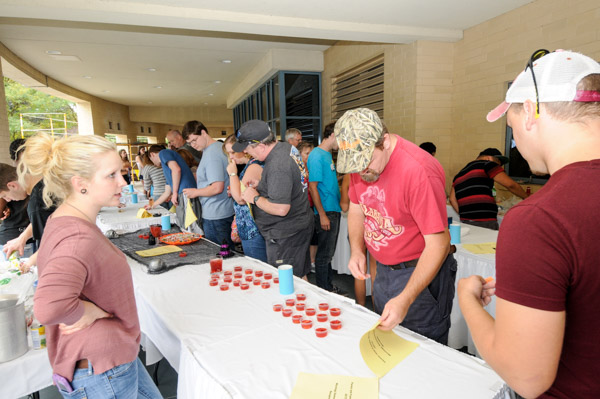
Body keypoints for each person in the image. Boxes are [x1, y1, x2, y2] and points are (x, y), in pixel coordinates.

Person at [458, 49, 600, 399]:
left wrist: (468, 303)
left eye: (512, 127)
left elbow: (527, 376)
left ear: (532, 112)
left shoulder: (540, 218)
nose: (516, 143)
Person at [20, 132, 162, 398]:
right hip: (101, 367)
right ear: (80, 184)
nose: (123, 181)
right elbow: (49, 307)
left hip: (109, 357)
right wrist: (89, 311)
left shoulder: (66, 220)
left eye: (121, 173)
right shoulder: (77, 237)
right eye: (111, 175)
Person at [336, 108, 455, 344]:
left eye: (366, 162)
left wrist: (406, 298)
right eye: (355, 166)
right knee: (390, 345)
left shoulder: (419, 171)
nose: (361, 171)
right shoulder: (364, 166)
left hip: (419, 274)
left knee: (423, 349)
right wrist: (358, 250)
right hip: (384, 271)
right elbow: (357, 208)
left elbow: (439, 244)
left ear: (386, 142)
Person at [234, 120, 313, 278]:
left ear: (261, 146)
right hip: (298, 226)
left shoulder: (277, 165)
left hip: (286, 235)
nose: (248, 154)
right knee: (299, 277)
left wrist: (255, 197)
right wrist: (263, 184)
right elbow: (292, 182)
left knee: (287, 283)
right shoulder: (285, 147)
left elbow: (281, 208)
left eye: (249, 150)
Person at [449, 148, 528, 230]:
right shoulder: (487, 164)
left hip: (466, 221)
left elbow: (452, 199)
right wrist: (527, 198)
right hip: (485, 221)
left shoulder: (459, 174)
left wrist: (465, 215)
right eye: (498, 164)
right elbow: (511, 185)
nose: (499, 167)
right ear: (489, 158)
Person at [182, 122, 234, 246]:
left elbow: (217, 187)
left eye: (195, 140)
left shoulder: (212, 154)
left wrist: (195, 192)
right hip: (220, 211)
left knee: (221, 255)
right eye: (190, 143)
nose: (193, 145)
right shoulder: (214, 149)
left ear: (204, 133)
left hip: (216, 214)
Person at [307, 121, 341, 291]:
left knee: (327, 255)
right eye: (341, 139)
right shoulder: (317, 155)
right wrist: (322, 214)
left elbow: (326, 183)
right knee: (323, 256)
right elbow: (313, 187)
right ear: (333, 135)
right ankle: (324, 291)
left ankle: (328, 287)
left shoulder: (327, 155)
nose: (341, 144)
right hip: (326, 211)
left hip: (332, 209)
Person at [222, 134, 267, 262]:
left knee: (259, 269)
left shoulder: (254, 165)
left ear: (244, 150)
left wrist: (232, 174)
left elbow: (241, 199)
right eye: (228, 153)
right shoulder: (251, 164)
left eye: (232, 152)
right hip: (252, 227)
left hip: (253, 229)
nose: (230, 157)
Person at [145, 145, 201, 233]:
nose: (154, 164)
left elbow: (176, 169)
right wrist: (153, 205)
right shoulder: (166, 167)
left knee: (190, 225)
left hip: (185, 192)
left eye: (151, 160)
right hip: (182, 193)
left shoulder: (164, 153)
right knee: (183, 222)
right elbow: (167, 192)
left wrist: (174, 193)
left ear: (152, 154)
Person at [340, 173, 377, 307]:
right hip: (376, 227)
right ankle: (376, 310)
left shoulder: (350, 176)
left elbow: (344, 206)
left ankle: (361, 308)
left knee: (359, 270)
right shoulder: (378, 172)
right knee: (375, 272)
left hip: (357, 228)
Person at [0, 163, 33, 260]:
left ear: (12, 186)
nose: (8, 200)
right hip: (12, 240)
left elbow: (44, 220)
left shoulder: (37, 193)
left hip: (25, 241)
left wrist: (21, 239)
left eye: (4, 196)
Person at [297, 141, 317, 268]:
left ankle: (312, 262)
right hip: (301, 208)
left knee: (314, 236)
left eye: (311, 153)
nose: (310, 156)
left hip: (312, 206)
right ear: (299, 154)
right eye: (307, 153)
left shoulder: (313, 168)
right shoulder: (296, 170)